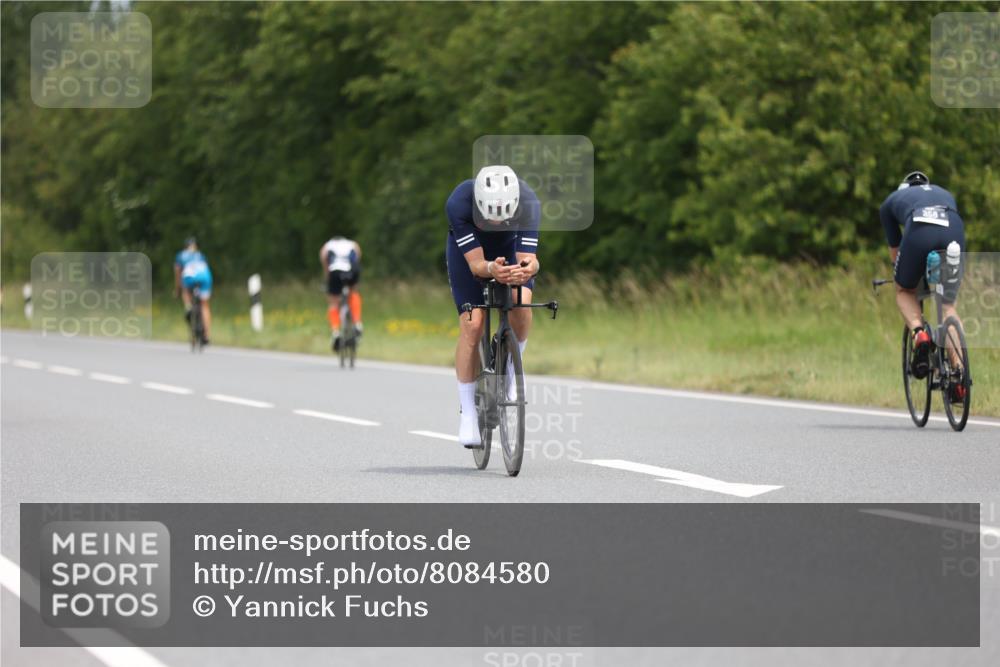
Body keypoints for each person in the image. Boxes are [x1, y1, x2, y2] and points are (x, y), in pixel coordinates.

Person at [446, 165, 541, 446]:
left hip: (508, 249)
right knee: (473, 325)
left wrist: (526, 269)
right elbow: (476, 265)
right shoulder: (459, 202)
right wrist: (490, 268)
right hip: (471, 255)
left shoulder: (528, 202)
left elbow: (530, 259)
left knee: (521, 301)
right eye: (490, 217)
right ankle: (467, 413)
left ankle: (510, 374)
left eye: (503, 218)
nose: (497, 223)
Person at [879, 170, 966, 400]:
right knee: (947, 305)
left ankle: (919, 334)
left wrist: (902, 277)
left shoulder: (889, 204)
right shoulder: (944, 192)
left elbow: (896, 254)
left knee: (903, 290)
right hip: (953, 227)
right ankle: (959, 375)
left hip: (919, 227)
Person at [320, 235, 363, 351]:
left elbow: (325, 263)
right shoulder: (352, 243)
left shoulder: (327, 245)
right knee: (353, 291)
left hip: (335, 270)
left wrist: (327, 278)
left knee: (333, 302)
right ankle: (357, 323)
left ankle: (336, 332)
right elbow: (357, 258)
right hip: (352, 270)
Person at [174, 237, 213, 344]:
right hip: (205, 277)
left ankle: (188, 307)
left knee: (185, 289)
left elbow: (178, 273)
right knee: (204, 305)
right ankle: (206, 335)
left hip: (189, 277)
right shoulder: (200, 255)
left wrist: (177, 289)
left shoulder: (181, 255)